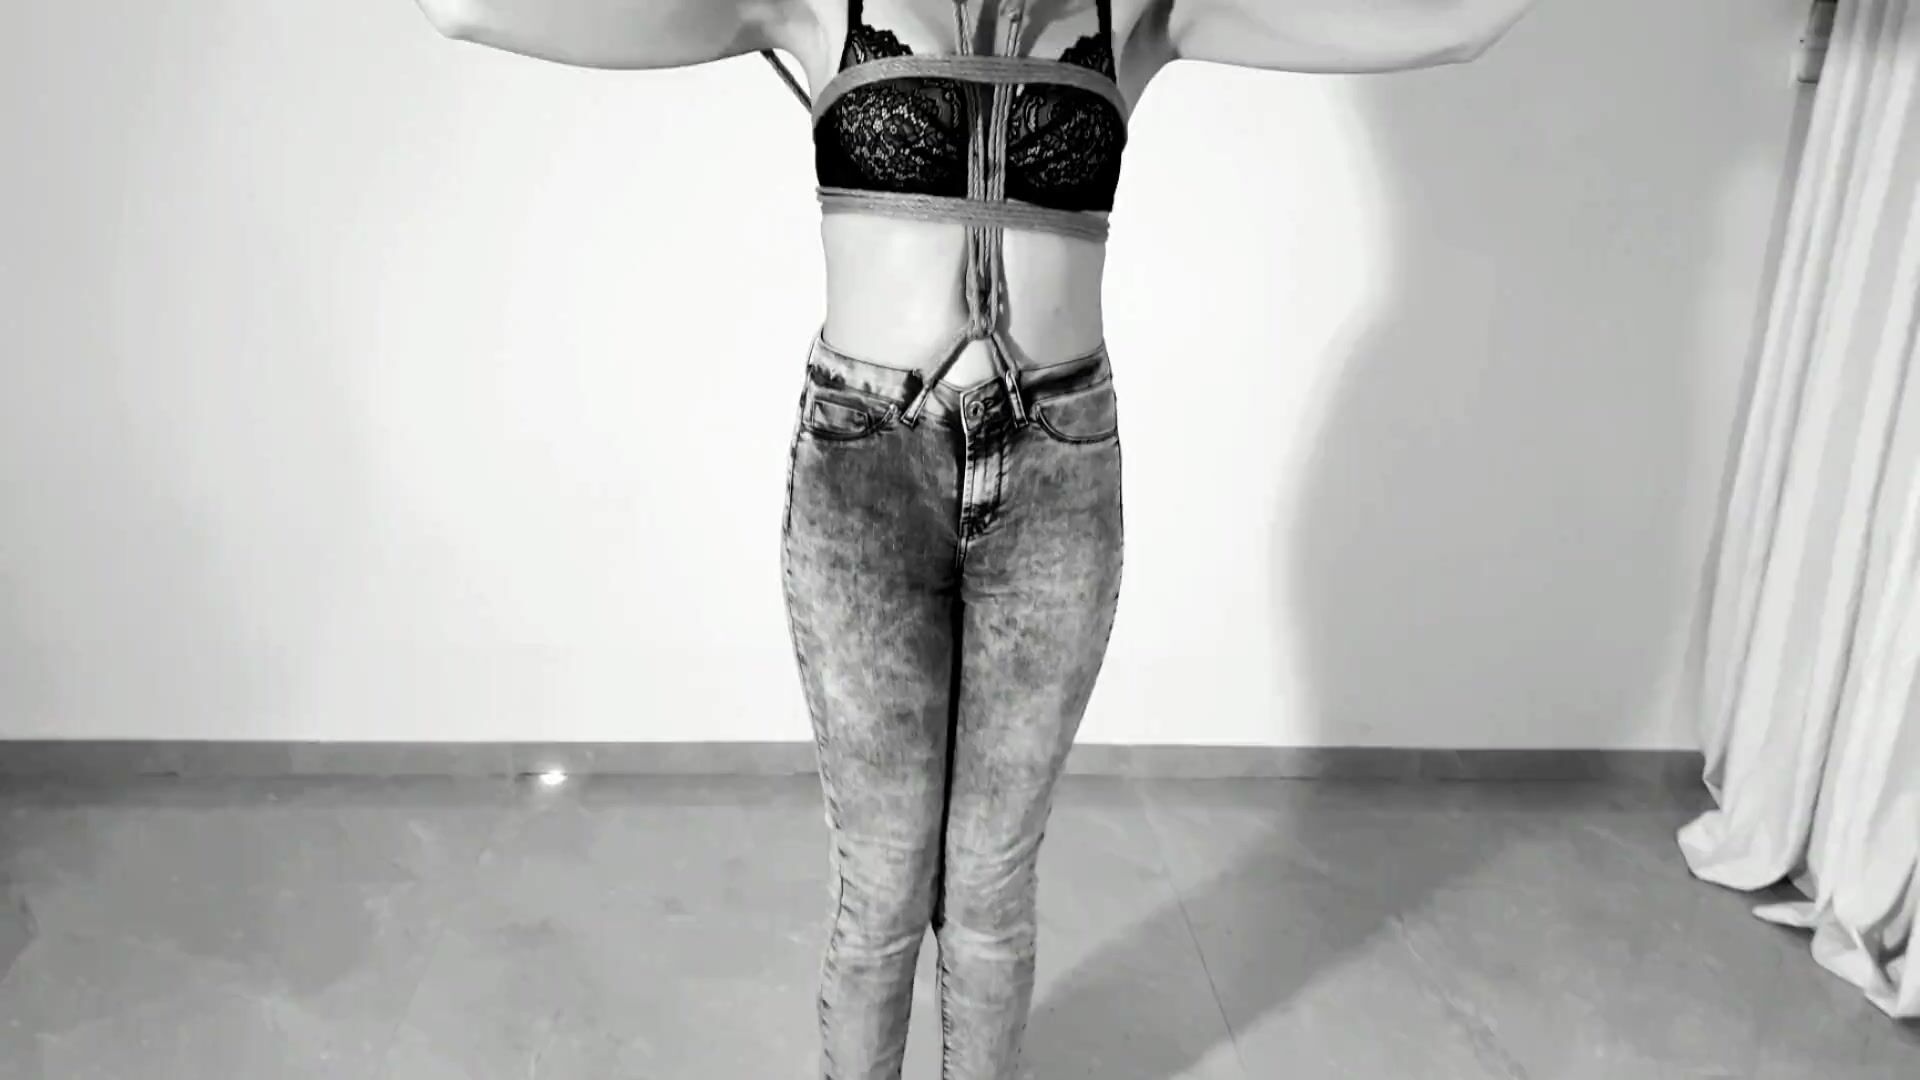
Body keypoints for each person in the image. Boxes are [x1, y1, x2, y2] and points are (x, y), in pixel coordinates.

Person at [409, 2, 1536, 1076]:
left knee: (993, 886)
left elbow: (1457, 23)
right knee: (882, 886)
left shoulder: (1134, 13)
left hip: (1056, 473)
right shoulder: (816, 6)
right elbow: (473, 8)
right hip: (867, 470)